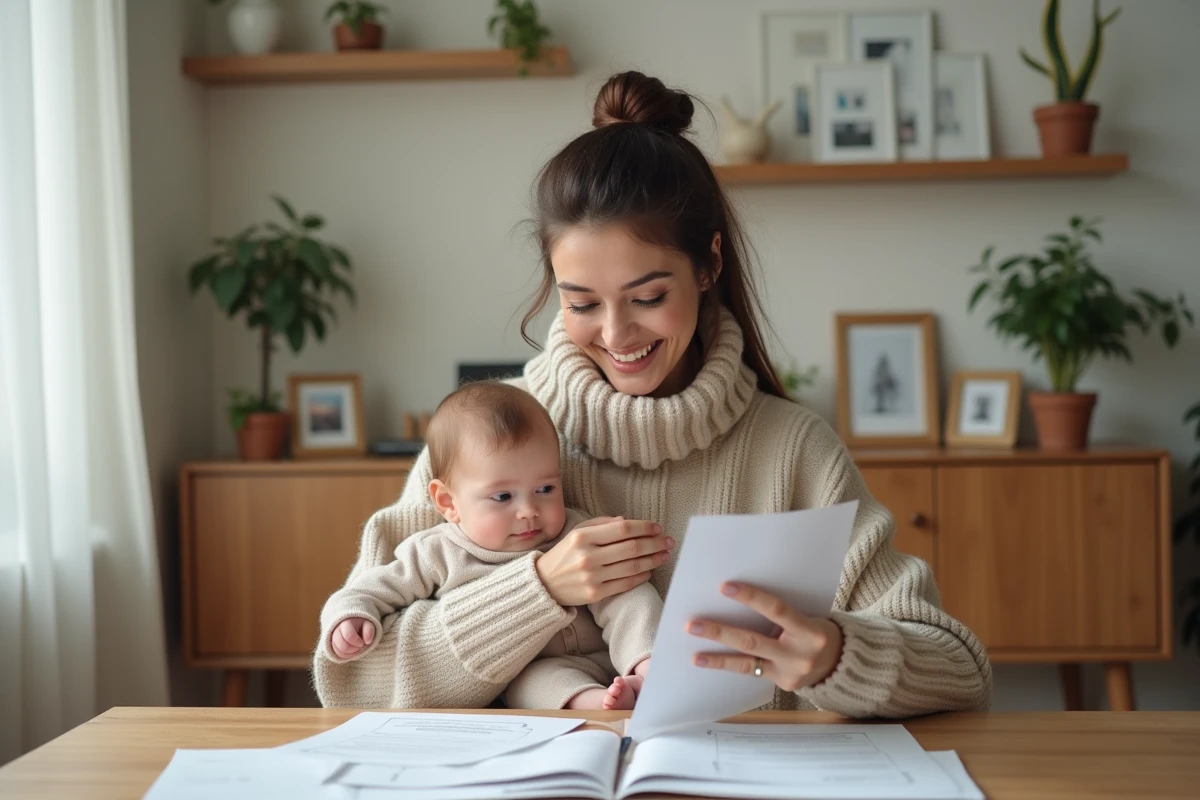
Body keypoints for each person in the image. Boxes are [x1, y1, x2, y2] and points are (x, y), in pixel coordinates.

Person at [313, 70, 992, 716]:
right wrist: (539, 590)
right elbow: (350, 682)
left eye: (647, 297)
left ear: (709, 266)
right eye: (581, 303)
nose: (616, 334)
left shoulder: (792, 450)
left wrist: (838, 656)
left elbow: (959, 670)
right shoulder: (482, 441)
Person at [316, 381, 661, 710]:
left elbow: (622, 601)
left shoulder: (573, 530)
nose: (528, 511)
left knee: (630, 591)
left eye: (545, 489)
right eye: (502, 496)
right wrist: (350, 618)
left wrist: (640, 655)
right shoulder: (435, 552)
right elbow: (371, 589)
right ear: (448, 501)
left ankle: (650, 670)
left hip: (610, 656)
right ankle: (596, 702)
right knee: (530, 683)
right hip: (535, 669)